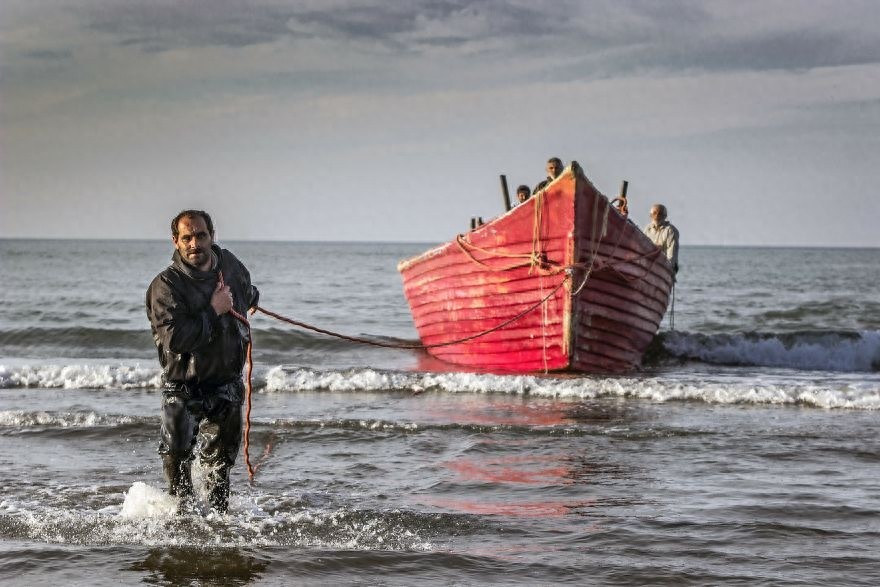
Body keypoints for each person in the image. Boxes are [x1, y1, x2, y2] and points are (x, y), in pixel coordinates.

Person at [145, 209, 260, 513]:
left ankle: (219, 527)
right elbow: (176, 339)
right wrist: (215, 310)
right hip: (183, 385)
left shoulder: (231, 265)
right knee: (176, 459)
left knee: (220, 471)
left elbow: (246, 291)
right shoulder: (165, 286)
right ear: (176, 241)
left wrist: (251, 298)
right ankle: (181, 526)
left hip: (226, 383)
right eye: (187, 237)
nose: (194, 243)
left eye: (200, 235)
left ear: (212, 236)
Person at [643, 203, 680, 273]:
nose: (656, 216)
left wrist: (668, 271)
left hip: (664, 269)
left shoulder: (671, 230)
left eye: (660, 214)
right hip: (649, 267)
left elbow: (672, 255)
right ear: (650, 215)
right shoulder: (647, 229)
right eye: (654, 213)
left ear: (665, 216)